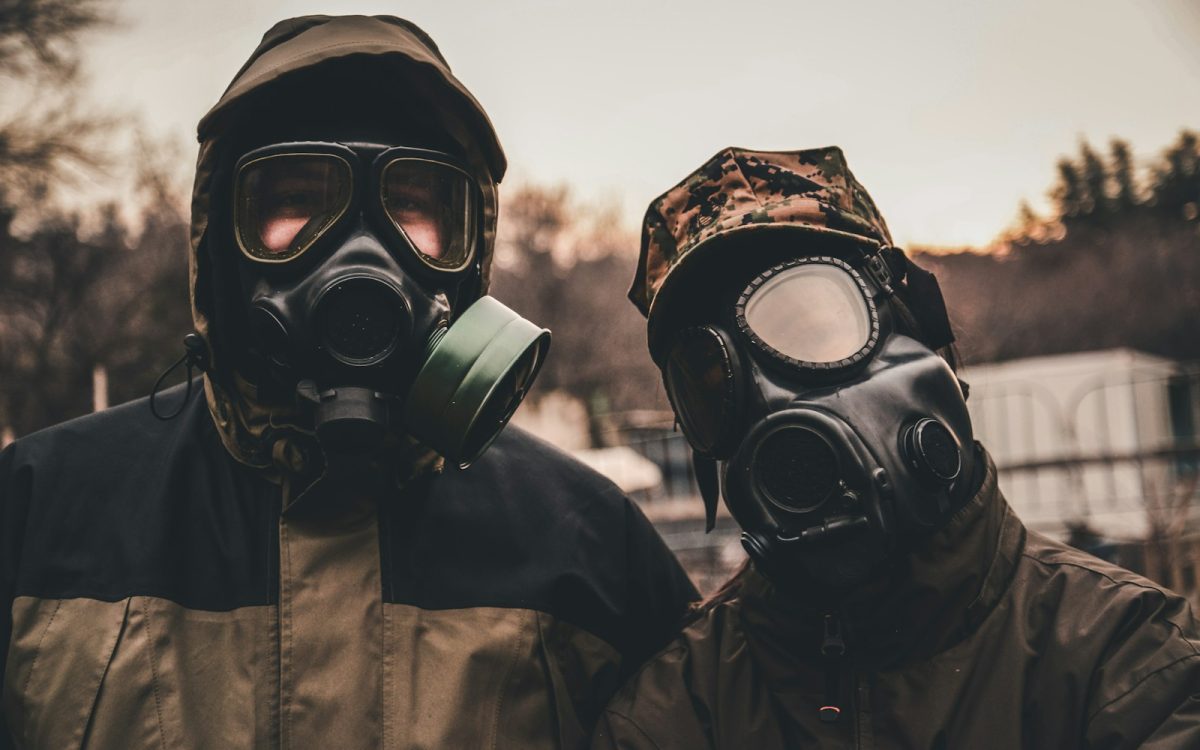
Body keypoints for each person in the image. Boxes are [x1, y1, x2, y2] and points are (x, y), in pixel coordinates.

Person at [0, 16, 698, 748]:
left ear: (469, 252)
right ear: (222, 245)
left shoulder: (588, 544)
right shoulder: (36, 511)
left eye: (413, 207)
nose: (359, 252)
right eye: (297, 202)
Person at [592, 146, 1200, 748]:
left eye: (812, 331)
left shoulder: (1129, 665)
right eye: (710, 380)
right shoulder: (672, 717)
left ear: (923, 331)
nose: (771, 404)